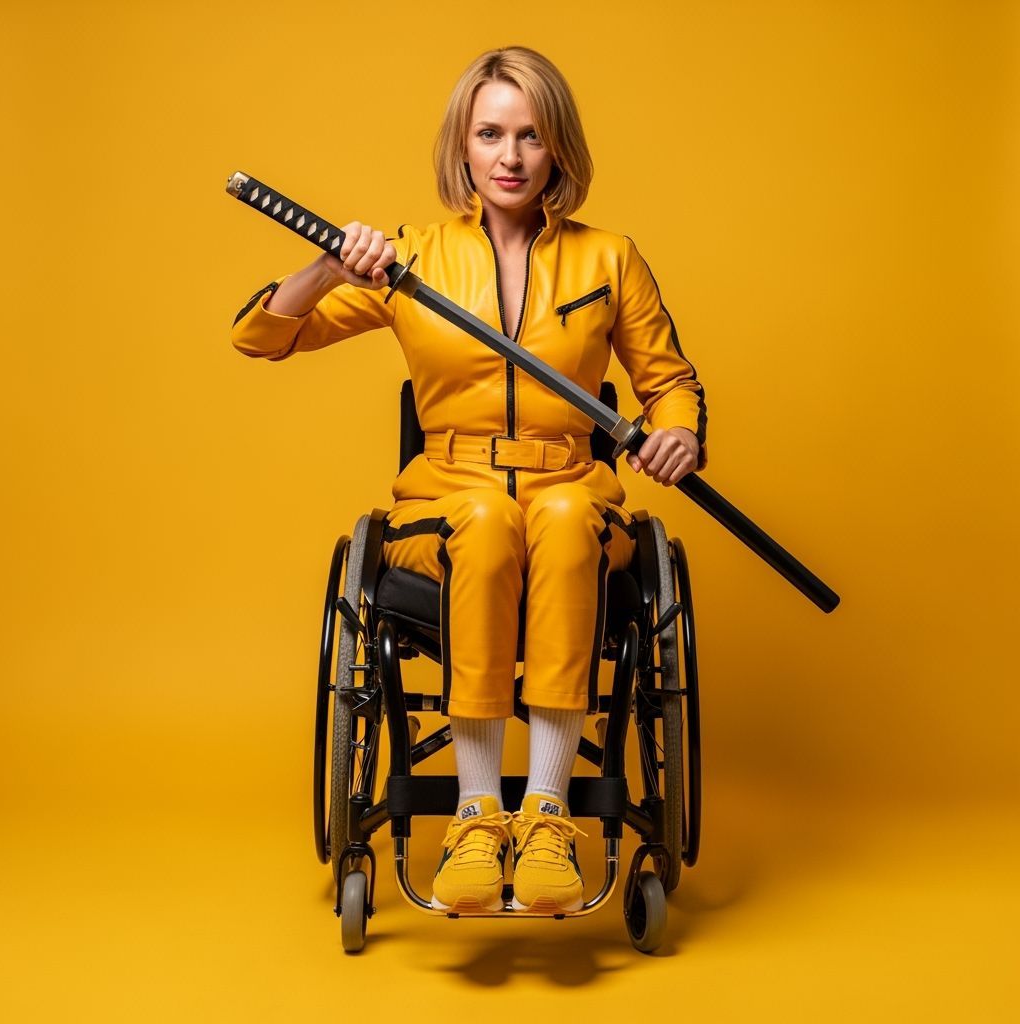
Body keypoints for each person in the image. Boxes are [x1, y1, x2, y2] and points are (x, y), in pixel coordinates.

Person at [231, 45, 707, 915]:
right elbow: (262, 338)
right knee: (486, 521)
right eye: (490, 133)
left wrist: (676, 438)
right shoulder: (407, 262)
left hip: (572, 487)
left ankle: (549, 813)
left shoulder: (610, 260)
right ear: (463, 146)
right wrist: (331, 269)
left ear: (559, 148)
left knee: (562, 517)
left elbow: (669, 384)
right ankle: (478, 818)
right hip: (450, 493)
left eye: (530, 135)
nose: (510, 156)